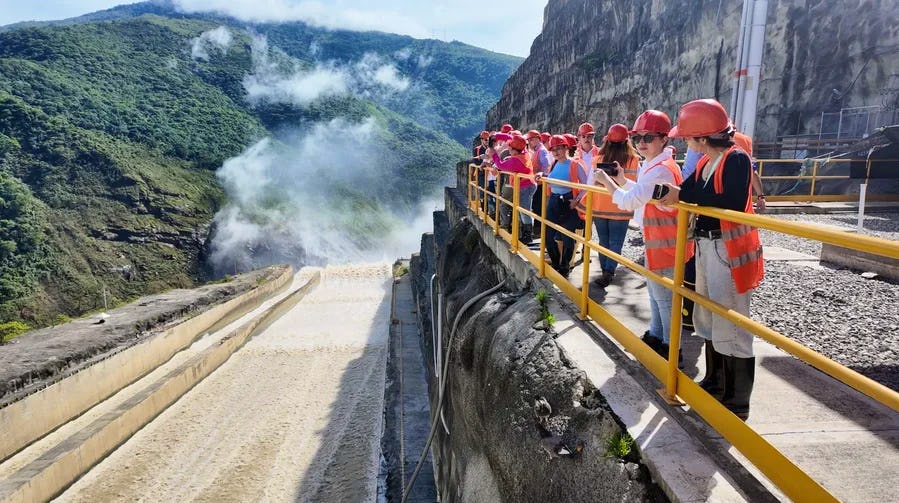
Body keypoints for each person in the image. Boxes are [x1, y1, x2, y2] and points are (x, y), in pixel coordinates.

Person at [657, 98, 764, 420]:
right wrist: (674, 194)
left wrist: (681, 195)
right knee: (708, 314)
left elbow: (729, 200)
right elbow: (687, 191)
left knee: (730, 318)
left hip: (728, 249)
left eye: (688, 137)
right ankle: (716, 381)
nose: (686, 143)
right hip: (708, 246)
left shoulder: (736, 159)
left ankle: (737, 398)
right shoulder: (705, 163)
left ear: (702, 137)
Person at [595, 111, 695, 362]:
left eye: (648, 137)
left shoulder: (659, 170)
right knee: (655, 293)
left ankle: (672, 350)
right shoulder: (656, 165)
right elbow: (641, 192)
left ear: (663, 139)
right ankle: (657, 336)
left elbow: (629, 202)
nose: (641, 142)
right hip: (660, 241)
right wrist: (620, 180)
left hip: (667, 244)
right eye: (638, 137)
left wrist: (607, 182)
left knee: (665, 298)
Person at [580, 123, 640, 287]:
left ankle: (605, 271)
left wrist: (582, 203)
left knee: (603, 241)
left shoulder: (597, 160)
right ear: (627, 142)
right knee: (616, 242)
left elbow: (589, 184)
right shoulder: (634, 161)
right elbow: (638, 185)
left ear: (607, 141)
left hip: (600, 207)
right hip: (621, 207)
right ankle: (609, 272)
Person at [536, 135, 589, 277]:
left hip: (568, 202)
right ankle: (556, 263)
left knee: (567, 238)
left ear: (566, 148)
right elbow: (550, 176)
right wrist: (542, 174)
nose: (555, 152)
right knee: (548, 236)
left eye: (559, 148)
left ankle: (565, 267)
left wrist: (577, 200)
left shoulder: (575, 164)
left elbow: (585, 185)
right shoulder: (554, 163)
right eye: (553, 149)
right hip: (554, 200)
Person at [489, 135, 537, 243]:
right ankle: (526, 233)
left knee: (524, 211)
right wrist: (497, 136)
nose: (508, 150)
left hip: (525, 187)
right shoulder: (523, 152)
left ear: (515, 150)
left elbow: (501, 165)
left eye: (510, 148)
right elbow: (512, 137)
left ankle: (528, 236)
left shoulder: (516, 160)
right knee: (523, 210)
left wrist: (494, 155)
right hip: (527, 185)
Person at [528, 130, 553, 238]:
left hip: (541, 184)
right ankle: (538, 231)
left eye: (532, 139)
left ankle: (539, 232)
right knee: (537, 206)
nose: (529, 142)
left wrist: (541, 174)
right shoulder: (537, 151)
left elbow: (546, 166)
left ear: (538, 139)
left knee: (539, 207)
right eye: (529, 140)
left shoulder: (542, 151)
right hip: (538, 183)